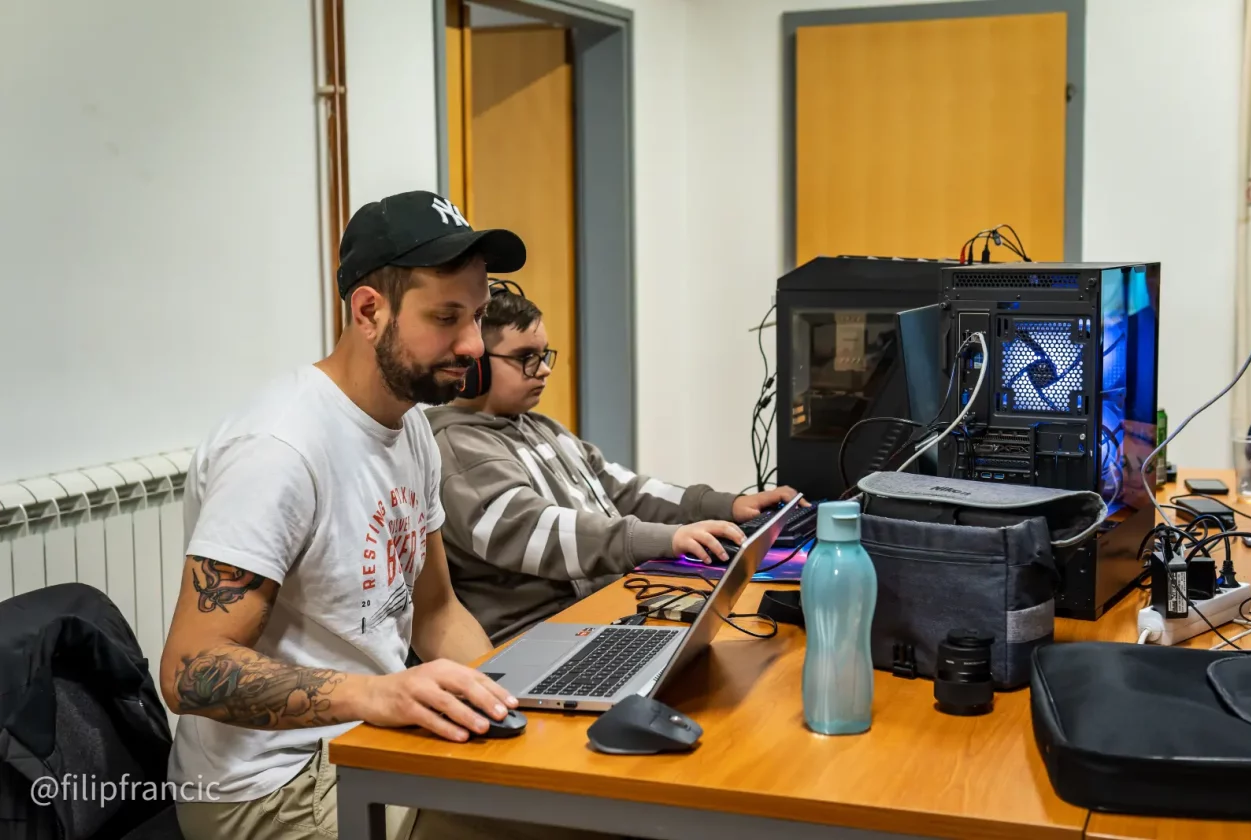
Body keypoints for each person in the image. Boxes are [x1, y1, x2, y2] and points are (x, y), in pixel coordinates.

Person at [160, 191, 617, 840]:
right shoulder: (278, 448)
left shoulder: (411, 430)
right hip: (268, 790)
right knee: (570, 826)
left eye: (479, 317)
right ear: (370, 311)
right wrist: (373, 693)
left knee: (587, 789)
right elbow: (188, 669)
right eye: (446, 317)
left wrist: (511, 710)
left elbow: (436, 613)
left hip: (364, 742)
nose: (471, 345)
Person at [426, 285, 804, 644]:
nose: (543, 370)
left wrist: (729, 506)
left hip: (598, 614)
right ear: (476, 365)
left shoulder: (541, 428)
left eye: (543, 356)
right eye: (526, 358)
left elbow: (622, 490)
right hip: (537, 636)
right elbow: (533, 528)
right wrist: (660, 540)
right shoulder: (457, 446)